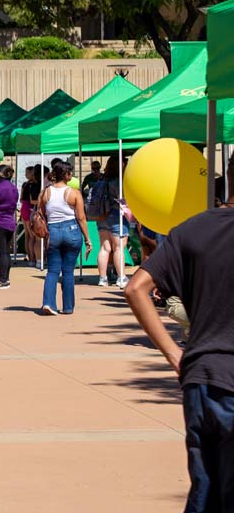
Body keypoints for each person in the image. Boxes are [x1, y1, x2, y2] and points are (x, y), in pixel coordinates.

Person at [124, 199, 234, 512]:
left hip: (201, 377)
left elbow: (136, 289)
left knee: (206, 487)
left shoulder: (191, 230)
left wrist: (175, 354)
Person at [38, 163, 93, 316]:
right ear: (67, 175)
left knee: (52, 271)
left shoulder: (46, 193)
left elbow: (42, 214)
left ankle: (48, 303)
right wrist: (88, 239)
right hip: (72, 230)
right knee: (68, 272)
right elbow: (81, 218)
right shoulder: (73, 193)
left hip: (53, 230)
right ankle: (68, 306)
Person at [95, 156, 129, 289]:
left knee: (104, 248)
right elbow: (123, 199)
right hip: (116, 215)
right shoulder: (118, 182)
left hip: (102, 216)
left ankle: (103, 278)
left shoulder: (102, 180)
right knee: (119, 247)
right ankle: (121, 277)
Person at [19, 166, 42, 265]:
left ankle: (30, 258)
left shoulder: (25, 184)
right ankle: (33, 259)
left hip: (24, 207)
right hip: (29, 208)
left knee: (28, 235)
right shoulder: (33, 185)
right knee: (32, 236)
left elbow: (21, 198)